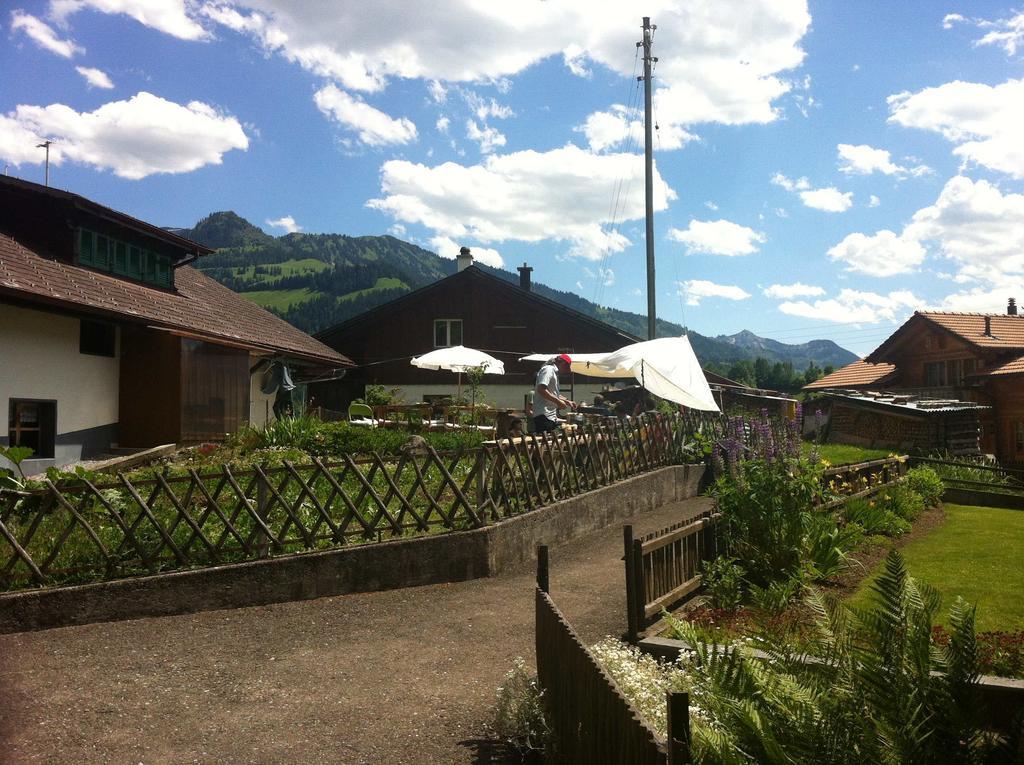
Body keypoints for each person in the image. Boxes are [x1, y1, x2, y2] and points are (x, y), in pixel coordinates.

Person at [533, 354, 577, 433]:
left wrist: (567, 402)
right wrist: (558, 402)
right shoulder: (548, 369)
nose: (567, 370)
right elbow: (541, 389)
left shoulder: (554, 372)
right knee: (545, 443)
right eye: (566, 366)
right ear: (561, 362)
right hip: (543, 415)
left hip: (549, 416)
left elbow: (552, 393)